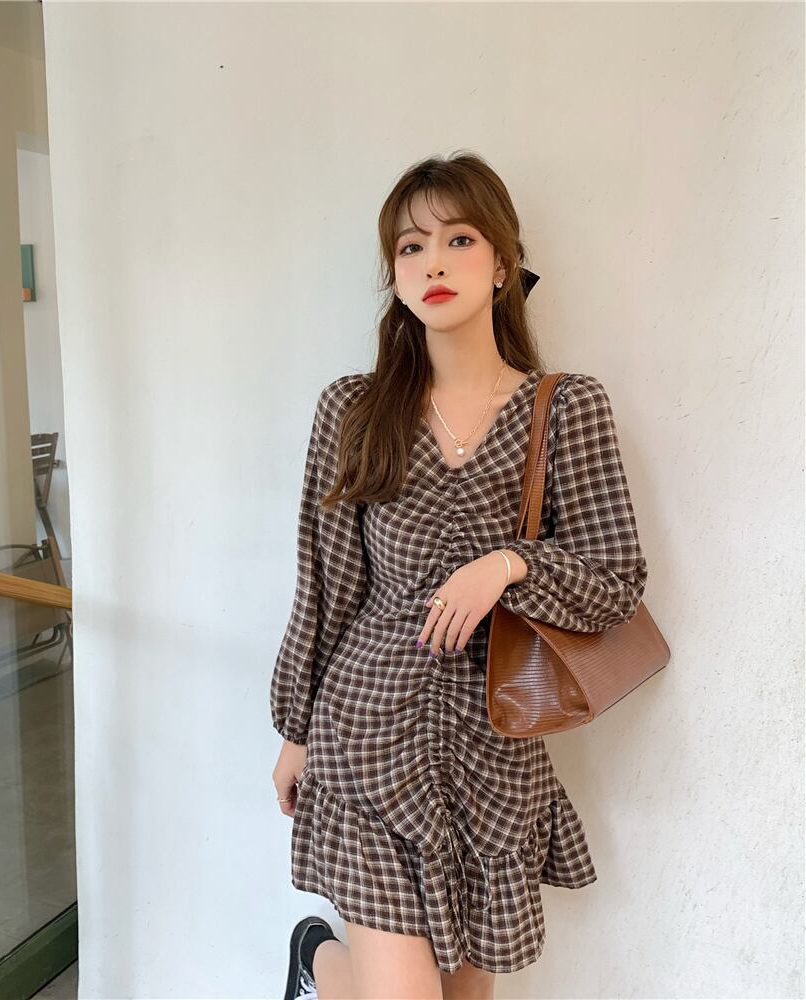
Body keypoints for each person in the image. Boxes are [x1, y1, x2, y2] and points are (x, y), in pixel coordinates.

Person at [270, 151, 648, 1000]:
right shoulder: (354, 410)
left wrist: (509, 565)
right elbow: (326, 587)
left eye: (459, 239)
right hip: (367, 735)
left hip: (493, 752)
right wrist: (296, 730)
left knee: (464, 996)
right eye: (410, 247)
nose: (433, 263)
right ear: (395, 276)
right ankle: (320, 958)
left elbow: (616, 578)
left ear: (504, 263)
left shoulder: (565, 408)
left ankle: (315, 966)